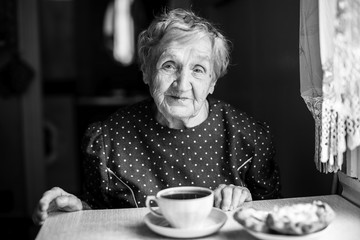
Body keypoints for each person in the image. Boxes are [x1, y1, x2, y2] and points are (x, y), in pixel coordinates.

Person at [33, 8, 281, 225]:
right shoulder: (107, 140)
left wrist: (248, 203)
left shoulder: (250, 137)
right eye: (169, 65)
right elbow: (97, 216)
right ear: (147, 73)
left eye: (198, 69)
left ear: (212, 81)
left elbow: (276, 220)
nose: (182, 85)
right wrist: (76, 212)